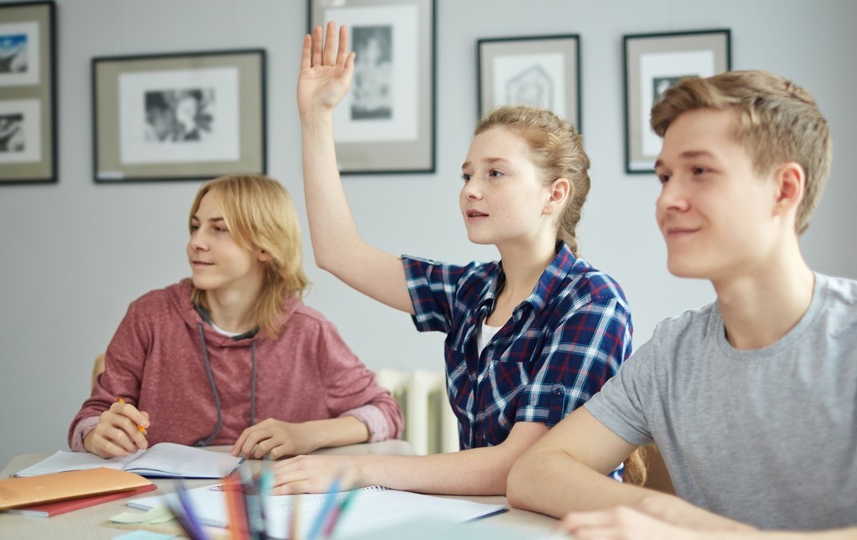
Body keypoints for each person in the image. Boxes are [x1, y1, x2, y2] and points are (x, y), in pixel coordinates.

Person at [507, 70, 857, 538]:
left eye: (700, 172)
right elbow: (534, 472)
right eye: (665, 177)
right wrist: (670, 515)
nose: (667, 200)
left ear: (784, 189)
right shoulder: (671, 354)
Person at [271, 23, 633, 496]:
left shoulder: (592, 302)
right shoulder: (471, 290)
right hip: (483, 517)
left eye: (495, 173)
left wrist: (354, 469)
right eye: (467, 175)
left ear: (555, 194)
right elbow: (339, 253)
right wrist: (316, 118)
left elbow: (520, 466)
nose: (471, 191)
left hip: (559, 523)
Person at [69, 174, 403, 460]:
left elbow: (386, 414)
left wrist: (308, 434)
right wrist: (97, 435)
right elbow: (89, 419)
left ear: (264, 246)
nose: (196, 242)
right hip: (165, 503)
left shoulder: (309, 332)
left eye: (218, 229)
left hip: (272, 503)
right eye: (195, 226)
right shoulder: (149, 316)